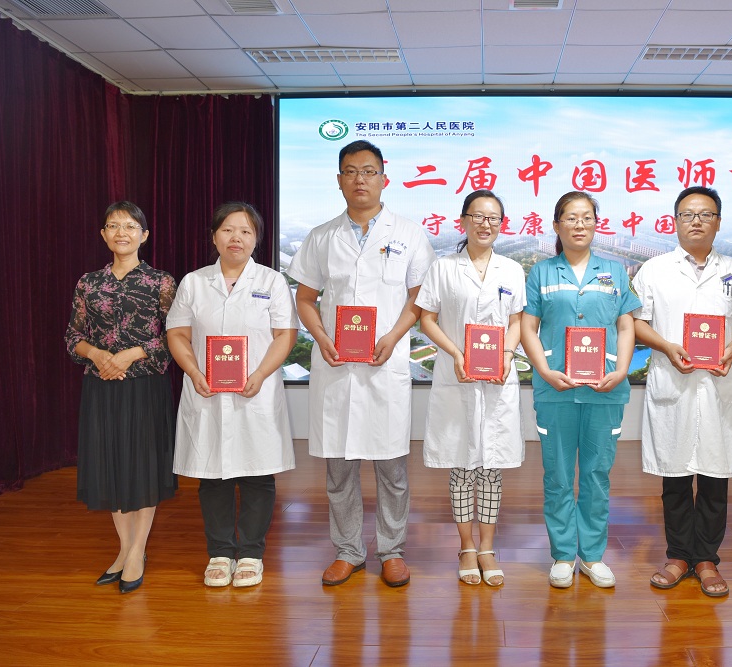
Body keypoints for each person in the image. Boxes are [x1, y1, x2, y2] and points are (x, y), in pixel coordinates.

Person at [289, 140, 436, 588]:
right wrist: (321, 337)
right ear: (339, 180)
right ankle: (348, 551)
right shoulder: (321, 236)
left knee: (392, 468)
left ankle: (392, 551)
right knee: (339, 469)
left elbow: (419, 298)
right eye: (351, 171)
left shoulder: (408, 233)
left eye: (369, 171)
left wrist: (394, 336)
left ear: (384, 179)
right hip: (337, 366)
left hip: (385, 364)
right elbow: (305, 298)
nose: (360, 180)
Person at [632, 186, 732, 598]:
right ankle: (677, 556)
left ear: (718, 223)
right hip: (673, 382)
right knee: (674, 477)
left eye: (706, 214)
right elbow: (636, 322)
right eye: (688, 214)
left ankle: (706, 559)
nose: (696, 221)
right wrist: (666, 346)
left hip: (717, 382)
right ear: (675, 221)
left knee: (714, 476)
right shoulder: (654, 270)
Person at [167, 202, 297, 588]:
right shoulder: (194, 282)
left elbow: (285, 335)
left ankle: (251, 554)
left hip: (255, 391)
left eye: (245, 231)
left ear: (256, 239)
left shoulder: (271, 282)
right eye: (227, 229)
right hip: (207, 392)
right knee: (213, 476)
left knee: (257, 475)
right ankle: (220, 553)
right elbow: (178, 333)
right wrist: (194, 372)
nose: (235, 237)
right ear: (214, 237)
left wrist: (260, 374)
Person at [520, 191, 640, 589]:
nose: (579, 224)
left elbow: (626, 325)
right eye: (570, 217)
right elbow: (528, 327)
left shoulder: (615, 271)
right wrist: (543, 369)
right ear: (556, 225)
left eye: (587, 217)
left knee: (596, 474)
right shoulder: (541, 273)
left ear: (596, 224)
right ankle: (561, 555)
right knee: (557, 474)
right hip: (555, 389)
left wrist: (621, 369)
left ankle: (591, 555)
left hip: (605, 389)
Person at [65, 201, 177, 594]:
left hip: (145, 387)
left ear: (144, 235)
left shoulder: (161, 282)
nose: (121, 233)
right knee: (112, 466)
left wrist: (130, 355)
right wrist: (97, 355)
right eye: (113, 226)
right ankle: (125, 549)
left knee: (142, 467)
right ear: (103, 234)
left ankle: (136, 552)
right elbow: (73, 337)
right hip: (101, 385)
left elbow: (176, 336)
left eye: (130, 226)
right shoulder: (88, 283)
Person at [416, 190, 525, 587]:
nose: (485, 224)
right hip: (456, 375)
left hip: (497, 380)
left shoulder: (512, 270)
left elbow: (516, 321)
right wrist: (456, 353)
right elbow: (427, 319)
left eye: (493, 218)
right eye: (477, 216)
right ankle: (465, 547)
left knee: (491, 466)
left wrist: (507, 355)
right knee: (462, 465)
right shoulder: (443, 268)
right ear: (463, 221)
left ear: (502, 224)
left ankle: (487, 548)